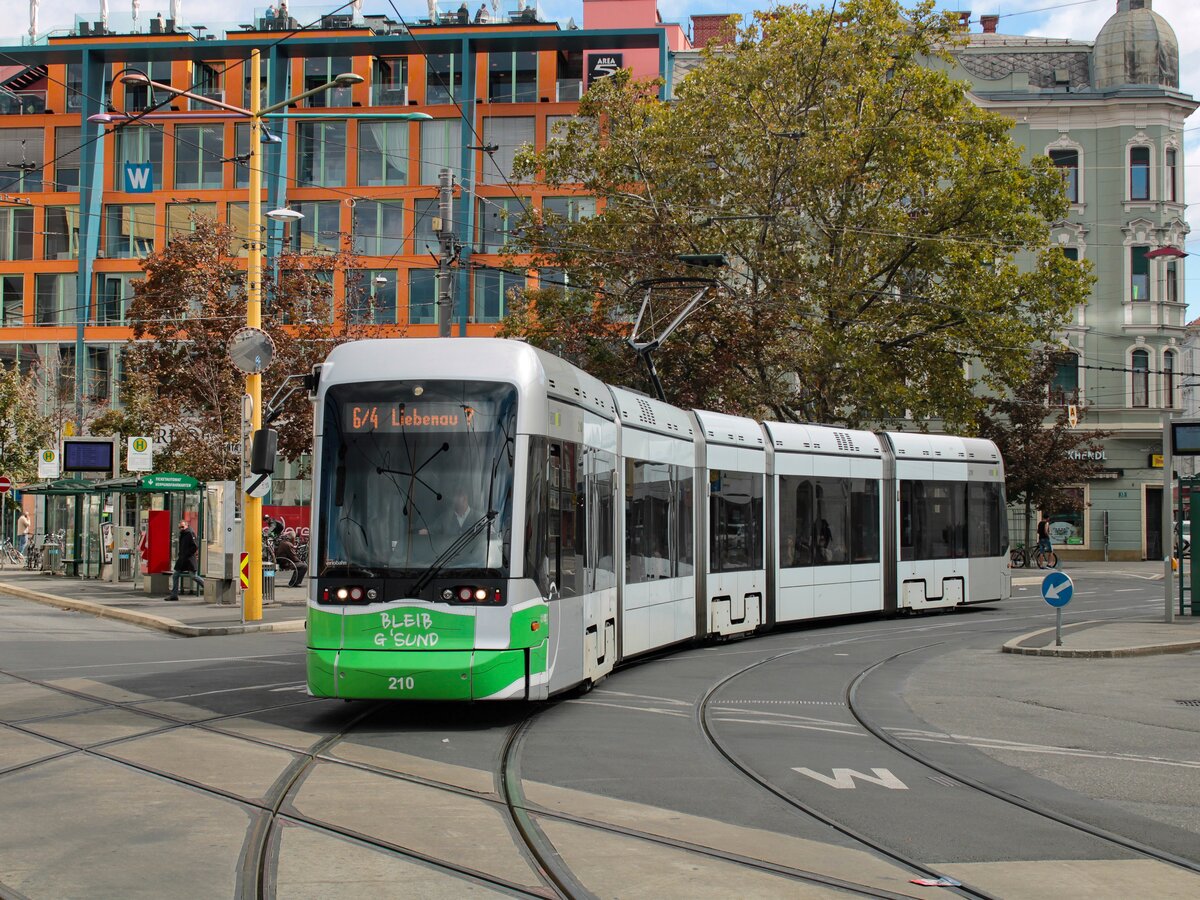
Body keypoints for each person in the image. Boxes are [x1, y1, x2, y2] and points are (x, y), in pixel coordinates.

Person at [166, 518, 204, 601]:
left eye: (182, 527)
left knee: (193, 576)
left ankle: (207, 587)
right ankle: (174, 595)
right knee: (175, 575)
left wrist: (187, 553)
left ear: (186, 526)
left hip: (189, 559)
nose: (181, 529)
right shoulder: (183, 534)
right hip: (183, 558)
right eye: (180, 527)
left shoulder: (190, 533)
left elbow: (195, 546)